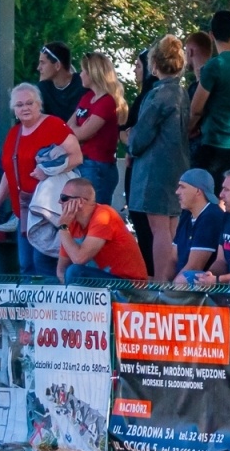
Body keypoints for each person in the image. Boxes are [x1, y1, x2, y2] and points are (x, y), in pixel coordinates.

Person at [0, 83, 81, 277]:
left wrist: (48, 170)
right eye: (19, 105)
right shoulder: (14, 133)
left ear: (39, 104)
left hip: (47, 210)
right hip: (24, 211)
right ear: (14, 110)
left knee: (44, 264)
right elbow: (9, 171)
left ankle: (53, 298)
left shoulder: (54, 125)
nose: (25, 108)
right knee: (26, 265)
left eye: (29, 103)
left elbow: (77, 157)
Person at [128, 36, 192, 280]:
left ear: (154, 63)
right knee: (172, 227)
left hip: (155, 169)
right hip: (178, 164)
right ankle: (171, 281)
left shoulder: (158, 95)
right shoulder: (181, 92)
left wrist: (130, 143)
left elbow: (140, 136)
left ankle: (161, 281)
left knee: (159, 228)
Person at [188, 9, 230, 183]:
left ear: (211, 35)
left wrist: (186, 130)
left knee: (209, 192)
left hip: (216, 142)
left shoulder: (215, 66)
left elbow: (196, 109)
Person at [54, 177, 149, 284]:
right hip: (104, 284)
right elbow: (61, 270)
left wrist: (63, 227)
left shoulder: (103, 215)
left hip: (129, 285)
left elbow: (79, 259)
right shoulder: (70, 223)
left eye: (64, 198)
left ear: (80, 202)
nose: (59, 202)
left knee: (75, 272)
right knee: (50, 278)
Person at [69, 53, 126, 209]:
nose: (80, 75)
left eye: (83, 71)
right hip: (83, 162)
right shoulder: (87, 97)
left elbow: (83, 133)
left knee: (93, 213)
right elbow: (68, 127)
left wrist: (77, 130)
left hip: (98, 166)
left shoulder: (107, 102)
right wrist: (77, 130)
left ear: (93, 73)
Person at [184, 166, 230, 289]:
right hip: (224, 280)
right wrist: (209, 275)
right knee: (185, 279)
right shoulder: (228, 217)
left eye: (226, 190)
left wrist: (217, 280)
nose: (221, 195)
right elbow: (221, 261)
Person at [122, 48, 158, 264]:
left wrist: (132, 143)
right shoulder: (142, 98)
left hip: (144, 171)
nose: (134, 70)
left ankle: (153, 273)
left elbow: (137, 135)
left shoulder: (152, 97)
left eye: (138, 66)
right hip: (135, 168)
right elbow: (125, 133)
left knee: (148, 225)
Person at [169, 169, 223, 284]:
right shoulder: (186, 214)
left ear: (198, 191)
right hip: (180, 282)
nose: (177, 192)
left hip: (201, 286)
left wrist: (169, 290)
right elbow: (173, 259)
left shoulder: (211, 217)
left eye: (182, 187)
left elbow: (194, 266)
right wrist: (161, 285)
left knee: (183, 279)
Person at [36, 42, 88, 122]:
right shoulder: (42, 89)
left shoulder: (84, 84)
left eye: (42, 62)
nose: (38, 67)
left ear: (57, 65)